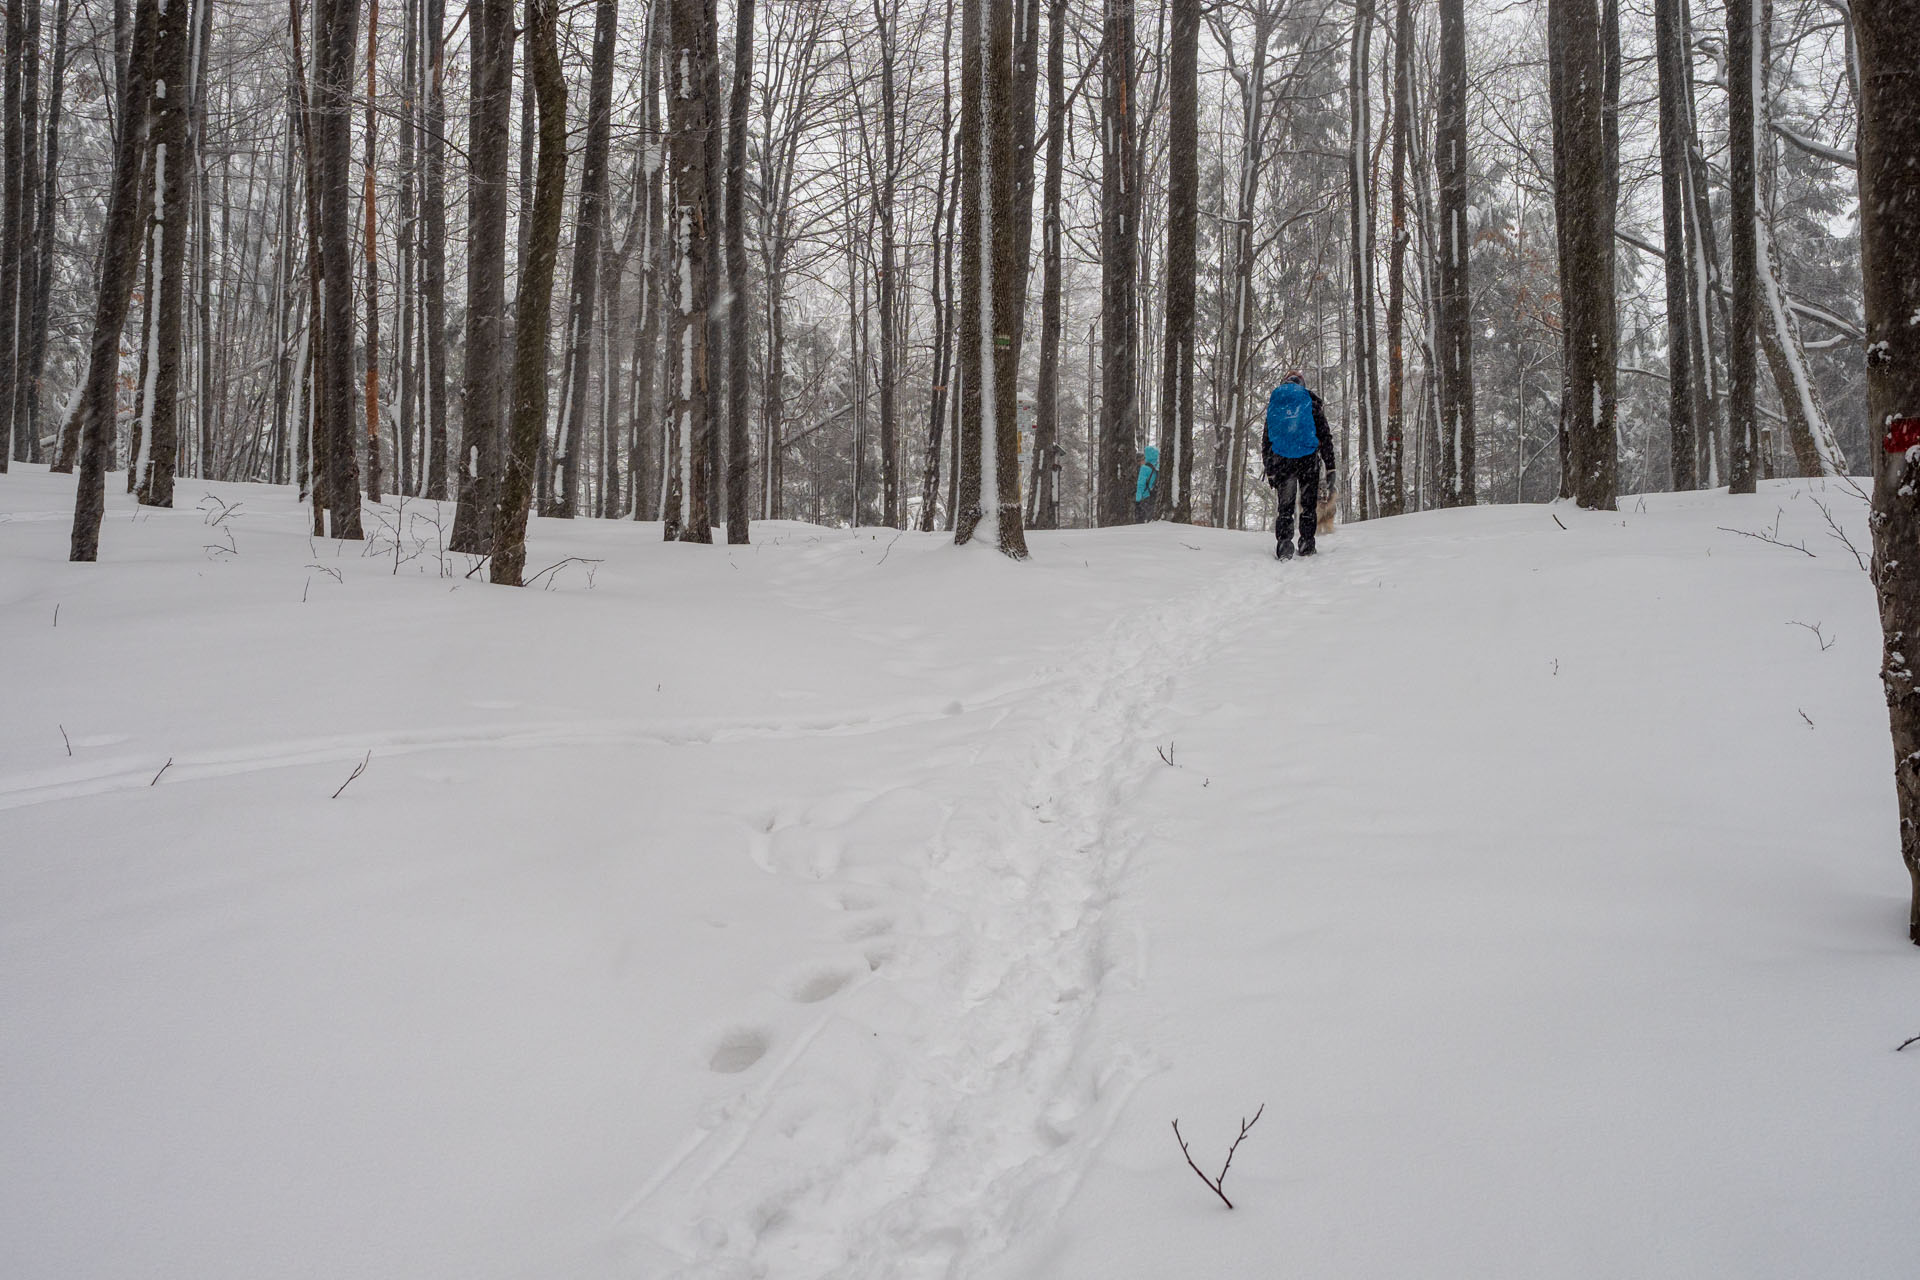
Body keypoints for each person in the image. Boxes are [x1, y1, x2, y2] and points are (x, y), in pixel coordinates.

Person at [1259, 372, 1336, 559]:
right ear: (1302, 384)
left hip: (1282, 461)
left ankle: (1284, 544)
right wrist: (1330, 466)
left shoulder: (1277, 404)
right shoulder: (1310, 402)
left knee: (1285, 506)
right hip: (1308, 460)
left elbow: (1267, 441)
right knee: (1308, 505)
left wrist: (1270, 470)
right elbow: (1324, 436)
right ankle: (1307, 544)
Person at [1134, 445, 1160, 523]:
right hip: (1155, 496)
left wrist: (1138, 499)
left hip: (1146, 497)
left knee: (1141, 521)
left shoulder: (1144, 468)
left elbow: (1140, 485)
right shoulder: (1158, 467)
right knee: (1152, 518)